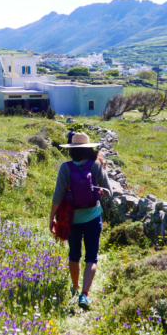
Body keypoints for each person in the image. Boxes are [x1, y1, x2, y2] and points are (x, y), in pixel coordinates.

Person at [50, 133, 112, 310]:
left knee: (74, 254)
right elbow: (109, 192)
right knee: (91, 257)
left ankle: (75, 287)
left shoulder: (65, 167)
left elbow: (58, 195)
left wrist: (51, 218)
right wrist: (98, 190)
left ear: (71, 150)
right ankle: (85, 295)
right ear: (89, 148)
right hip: (93, 216)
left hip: (72, 219)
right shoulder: (96, 165)